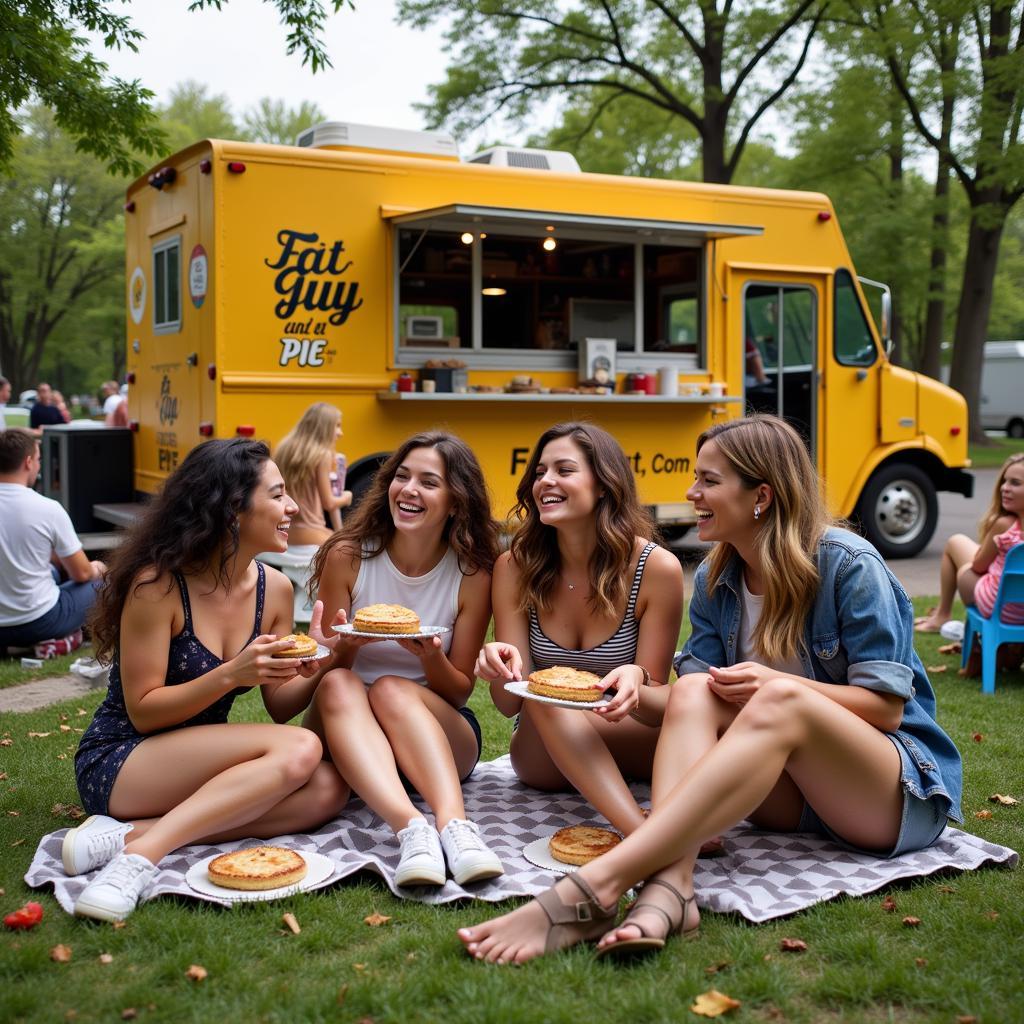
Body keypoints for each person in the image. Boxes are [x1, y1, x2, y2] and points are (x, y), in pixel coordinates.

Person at [458, 414, 962, 965]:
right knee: (696, 690)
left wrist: (778, 683)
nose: (691, 492)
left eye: (709, 481)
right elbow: (686, 705)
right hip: (787, 801)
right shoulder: (718, 580)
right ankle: (672, 891)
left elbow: (887, 710)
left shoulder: (846, 563)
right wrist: (630, 683)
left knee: (777, 698)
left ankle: (597, 887)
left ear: (761, 495)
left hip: (888, 799)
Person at [64, 438, 348, 922]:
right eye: (278, 495)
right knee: (301, 749)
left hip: (198, 757)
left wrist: (327, 660)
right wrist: (230, 674)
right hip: (123, 758)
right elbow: (143, 710)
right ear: (233, 509)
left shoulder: (275, 590)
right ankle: (140, 859)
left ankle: (127, 836)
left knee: (327, 789)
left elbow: (280, 704)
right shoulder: (158, 585)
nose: (293, 506)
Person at [304, 431, 504, 887]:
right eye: (402, 476)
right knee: (338, 683)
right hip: (350, 734)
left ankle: (456, 827)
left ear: (455, 502)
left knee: (394, 688)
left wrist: (431, 658)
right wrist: (344, 649)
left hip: (437, 734)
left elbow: (457, 691)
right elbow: (325, 675)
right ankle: (411, 828)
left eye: (429, 482)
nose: (409, 490)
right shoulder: (348, 557)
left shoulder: (472, 573)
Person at [474, 422, 685, 840]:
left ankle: (644, 826)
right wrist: (499, 667)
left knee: (682, 719)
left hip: (628, 733)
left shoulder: (655, 569)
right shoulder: (515, 567)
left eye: (564, 470)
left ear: (604, 484)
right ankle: (643, 834)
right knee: (541, 693)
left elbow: (654, 699)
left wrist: (638, 680)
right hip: (542, 759)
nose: (545, 481)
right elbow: (508, 705)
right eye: (539, 472)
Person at [0, 429, 106, 648]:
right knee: (105, 581)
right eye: (38, 459)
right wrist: (98, 567)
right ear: (28, 462)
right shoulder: (47, 508)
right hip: (37, 622)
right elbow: (81, 573)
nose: (39, 466)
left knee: (55, 570)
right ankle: (71, 637)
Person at [914, 453, 1024, 661]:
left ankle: (942, 615)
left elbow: (979, 565)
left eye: (1015, 483)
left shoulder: (1004, 525)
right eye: (1004, 481)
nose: (1004, 488)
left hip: (1003, 609)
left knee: (958, 549)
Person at [274, 402, 352, 546]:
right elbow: (329, 503)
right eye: (337, 426)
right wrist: (347, 497)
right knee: (349, 549)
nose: (340, 433)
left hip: (283, 529)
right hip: (310, 531)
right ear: (324, 427)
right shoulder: (323, 455)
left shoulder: (283, 448)